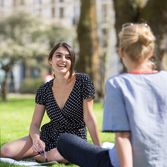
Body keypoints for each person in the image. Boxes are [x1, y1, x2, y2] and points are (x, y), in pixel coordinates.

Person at [56, 23, 167, 167]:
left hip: (119, 163)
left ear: (121, 52)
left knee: (64, 140)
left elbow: (122, 137)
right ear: (151, 51)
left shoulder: (117, 84)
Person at [0, 42, 100, 163]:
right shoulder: (44, 90)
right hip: (48, 135)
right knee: (6, 151)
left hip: (73, 138)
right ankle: (42, 154)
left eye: (68, 57)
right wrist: (36, 139)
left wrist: (98, 149)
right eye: (58, 55)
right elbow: (35, 124)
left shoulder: (83, 81)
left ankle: (44, 156)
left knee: (55, 156)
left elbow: (89, 117)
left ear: (72, 62)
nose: (63, 60)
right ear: (50, 60)